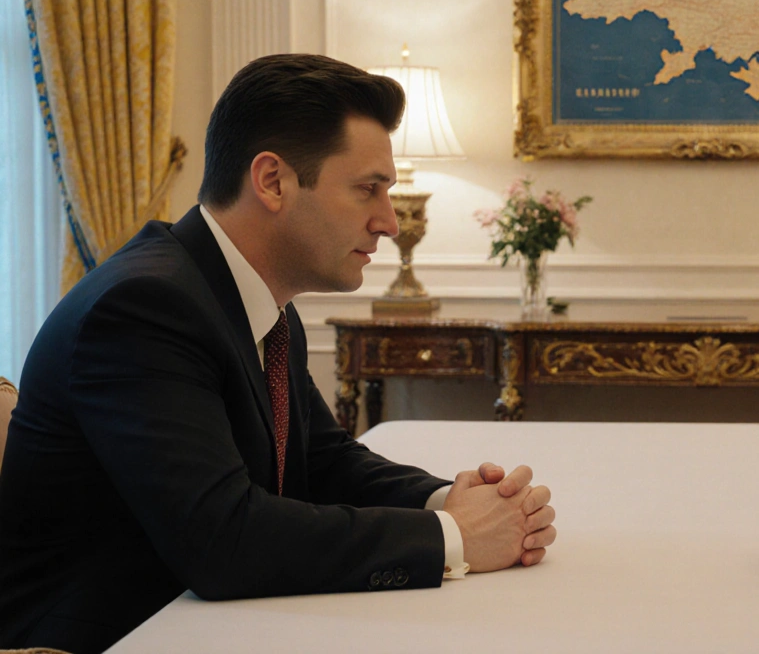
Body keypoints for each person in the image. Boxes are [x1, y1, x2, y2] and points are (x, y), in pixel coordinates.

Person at [0, 54, 558, 653]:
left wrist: (452, 501)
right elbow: (223, 542)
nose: (389, 222)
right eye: (367, 189)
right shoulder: (143, 308)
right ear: (272, 182)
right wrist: (453, 537)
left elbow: (321, 459)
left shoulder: (248, 295)